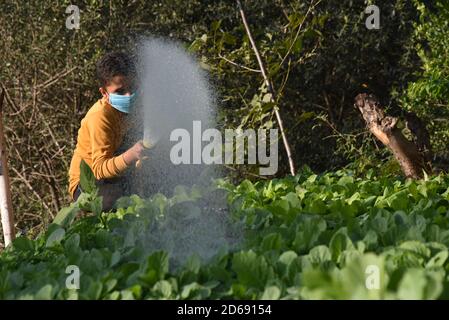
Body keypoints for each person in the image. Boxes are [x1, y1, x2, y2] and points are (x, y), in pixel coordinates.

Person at [68, 51, 147, 211]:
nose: (129, 95)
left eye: (132, 88)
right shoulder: (100, 117)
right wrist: (132, 155)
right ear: (104, 93)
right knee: (125, 198)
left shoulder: (136, 108)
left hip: (116, 175)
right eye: (119, 91)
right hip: (87, 185)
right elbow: (98, 169)